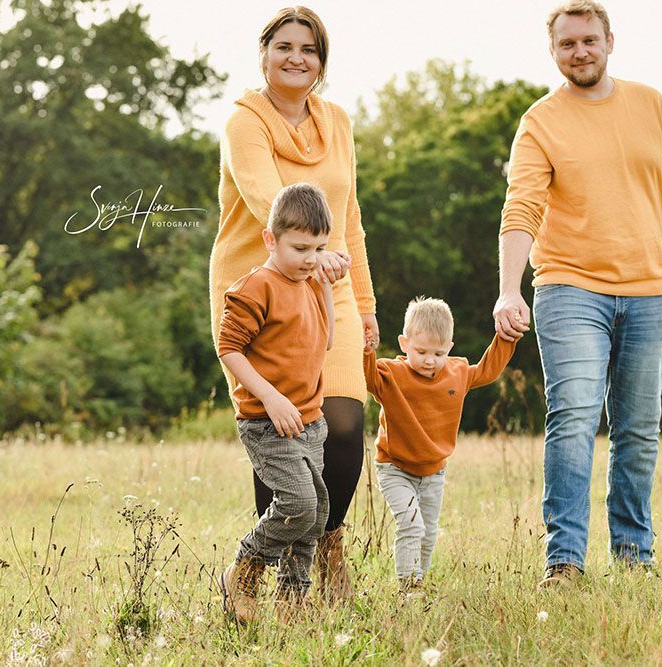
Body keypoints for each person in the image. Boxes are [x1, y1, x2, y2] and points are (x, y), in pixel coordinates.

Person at [493, 0, 662, 588]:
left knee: (638, 428)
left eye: (588, 40)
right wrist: (508, 289)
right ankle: (565, 562)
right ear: (554, 52)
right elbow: (521, 207)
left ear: (610, 41)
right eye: (567, 43)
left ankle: (633, 557)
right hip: (570, 288)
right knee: (573, 416)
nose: (580, 51)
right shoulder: (540, 122)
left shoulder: (650, 105)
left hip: (650, 291)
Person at [209, 6, 377, 603]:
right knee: (281, 430)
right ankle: (262, 578)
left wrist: (364, 301)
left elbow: (349, 216)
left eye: (309, 49)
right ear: (265, 54)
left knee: (344, 425)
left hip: (331, 282)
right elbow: (266, 197)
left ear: (321, 61)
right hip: (267, 280)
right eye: (284, 46)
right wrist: (312, 250)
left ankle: (327, 544)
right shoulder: (244, 121)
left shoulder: (338, 122)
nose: (296, 57)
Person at [217, 183, 336, 624]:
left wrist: (325, 286)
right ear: (271, 239)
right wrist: (270, 397)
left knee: (317, 512)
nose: (311, 258)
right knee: (300, 503)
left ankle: (292, 598)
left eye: (319, 248)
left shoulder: (307, 282)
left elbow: (327, 342)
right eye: (301, 247)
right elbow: (227, 347)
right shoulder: (257, 286)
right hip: (268, 423)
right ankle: (244, 569)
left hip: (310, 420)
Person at [364, 298, 519, 595]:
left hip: (434, 473)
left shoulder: (457, 373)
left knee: (428, 532)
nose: (429, 360)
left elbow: (487, 370)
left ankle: (419, 579)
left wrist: (505, 337)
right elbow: (367, 375)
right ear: (404, 343)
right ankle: (409, 587)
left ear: (450, 347)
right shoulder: (390, 375)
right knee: (411, 525)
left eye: (438, 353)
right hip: (394, 468)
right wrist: (366, 348)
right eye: (421, 351)